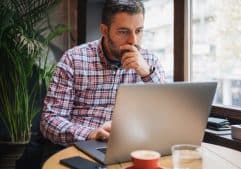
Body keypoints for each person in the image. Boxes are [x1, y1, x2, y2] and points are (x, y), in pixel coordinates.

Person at [40, 0, 165, 146]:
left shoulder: (150, 62)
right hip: (83, 145)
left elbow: (166, 113)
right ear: (104, 30)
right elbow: (49, 120)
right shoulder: (74, 59)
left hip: (132, 146)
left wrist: (147, 74)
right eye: (123, 32)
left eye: (138, 31)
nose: (133, 40)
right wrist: (90, 134)